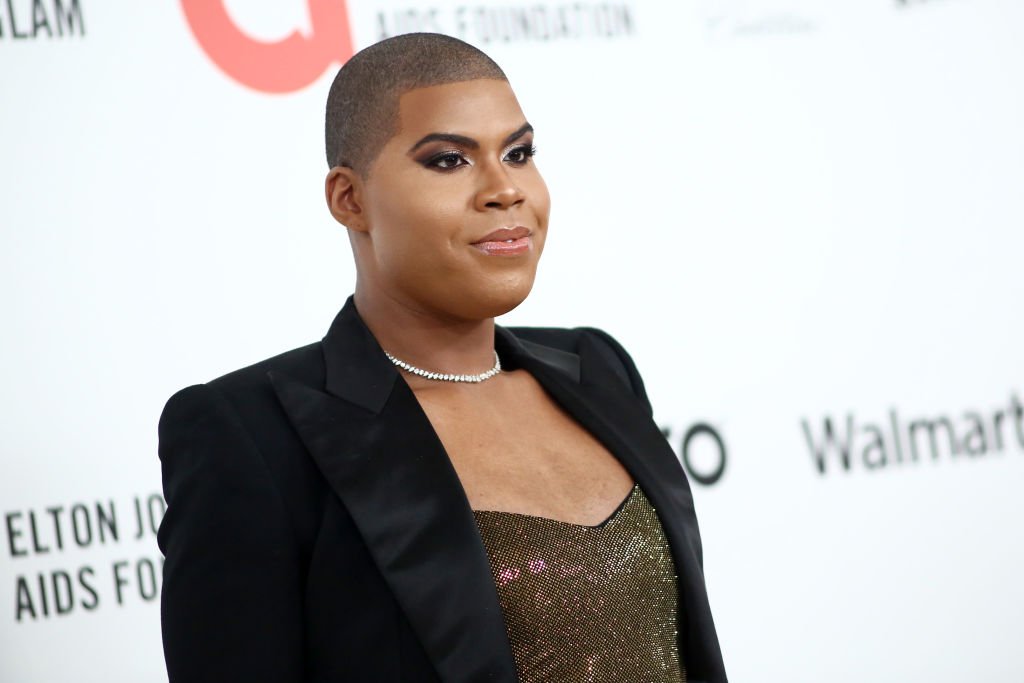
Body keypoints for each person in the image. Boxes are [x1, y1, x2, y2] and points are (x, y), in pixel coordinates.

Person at [157, 33, 727, 683]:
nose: (504, 189)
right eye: (450, 161)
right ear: (350, 198)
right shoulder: (253, 436)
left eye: (519, 153)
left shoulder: (597, 367)